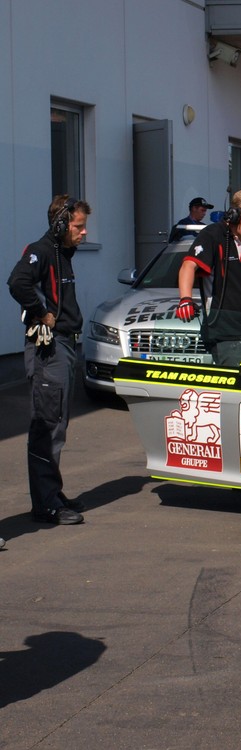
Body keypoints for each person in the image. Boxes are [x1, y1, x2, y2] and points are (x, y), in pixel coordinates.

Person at [7, 195, 91, 525]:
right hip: (48, 349)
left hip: (64, 347)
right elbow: (17, 282)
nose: (84, 233)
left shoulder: (61, 254)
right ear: (59, 225)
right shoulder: (41, 251)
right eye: (78, 226)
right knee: (47, 425)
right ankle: (45, 503)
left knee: (57, 423)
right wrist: (43, 313)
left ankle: (51, 492)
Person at [176, 187, 241, 366]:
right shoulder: (212, 235)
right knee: (236, 391)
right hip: (224, 333)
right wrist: (185, 298)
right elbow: (188, 265)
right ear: (236, 215)